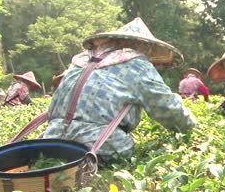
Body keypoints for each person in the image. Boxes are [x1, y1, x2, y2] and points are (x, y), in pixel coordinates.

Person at [42, 17, 196, 162]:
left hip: (50, 140)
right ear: (142, 45)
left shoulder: (81, 61)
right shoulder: (137, 65)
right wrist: (190, 126)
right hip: (96, 145)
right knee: (129, 148)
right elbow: (169, 109)